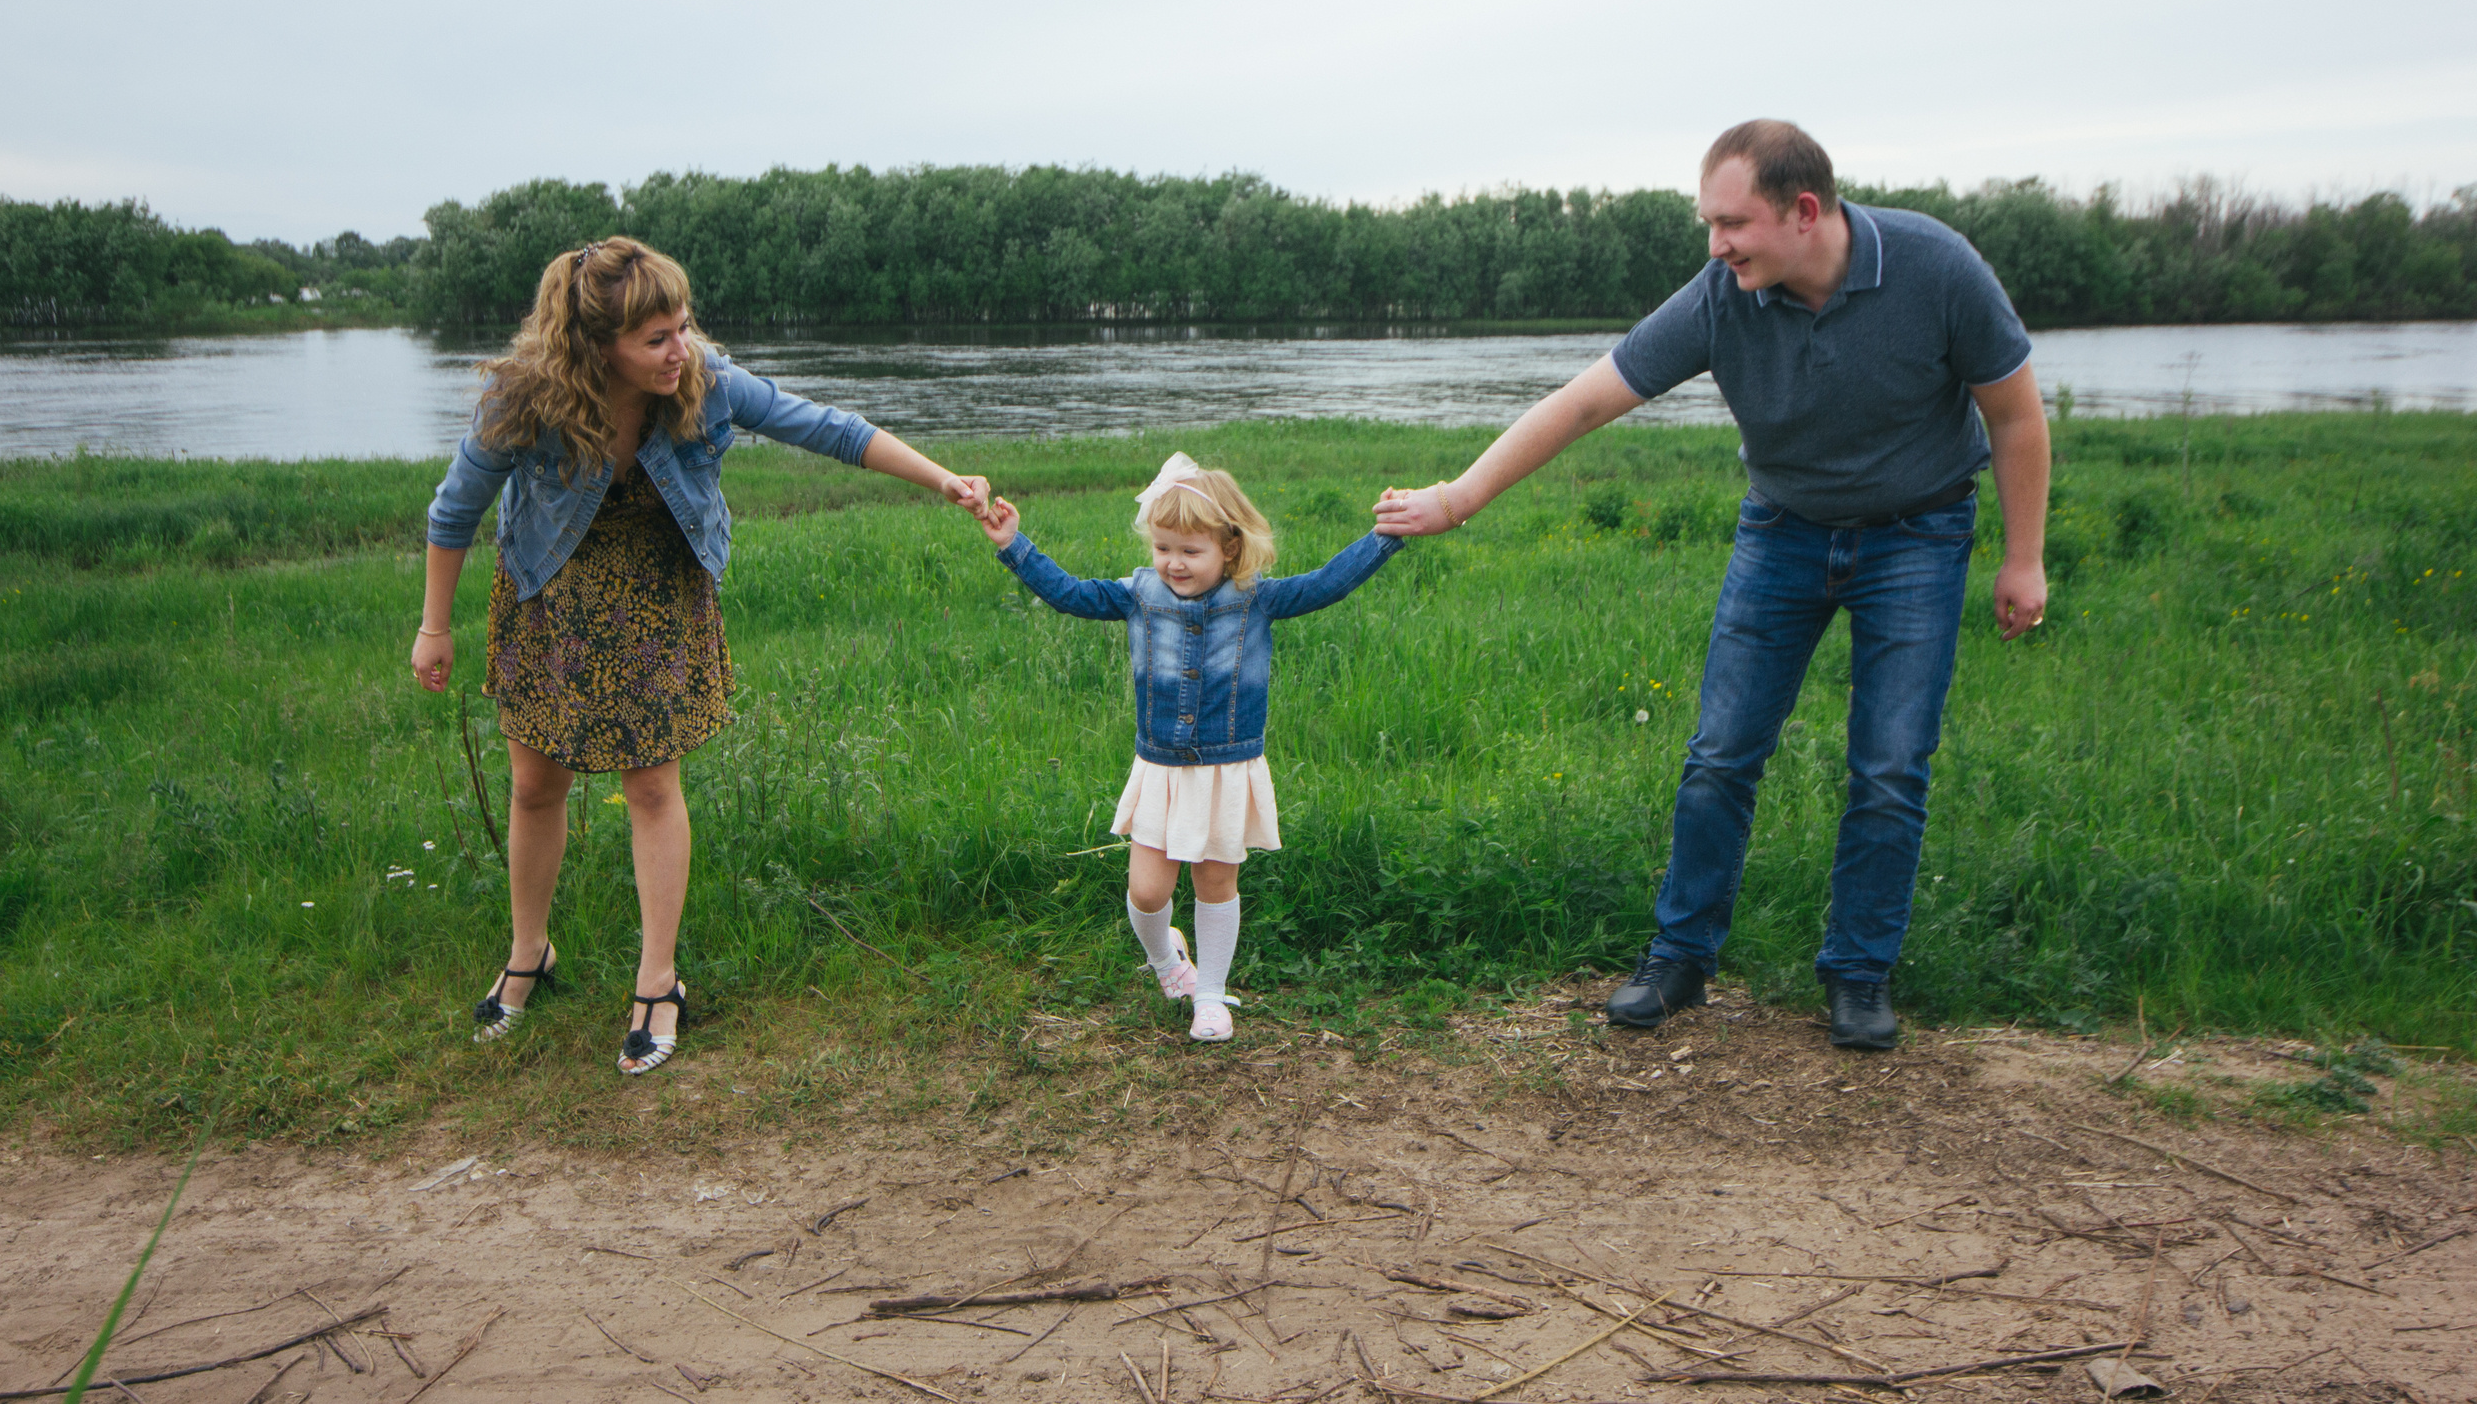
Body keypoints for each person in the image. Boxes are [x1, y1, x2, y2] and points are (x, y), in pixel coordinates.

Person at [1374, 121, 2049, 1051]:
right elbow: (1585, 400)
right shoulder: (1721, 297)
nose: (1715, 244)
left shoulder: (1936, 267)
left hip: (1919, 535)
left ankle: (1858, 974)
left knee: (1891, 765)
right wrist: (1457, 498)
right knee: (1722, 752)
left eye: (1732, 222)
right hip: (1783, 532)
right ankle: (1680, 958)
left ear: (1803, 212)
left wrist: (2024, 557)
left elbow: (2013, 412)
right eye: (1709, 222)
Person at [413, 236, 990, 1074]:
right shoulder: (524, 399)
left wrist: (943, 480)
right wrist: (436, 626)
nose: (680, 350)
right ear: (593, 346)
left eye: (682, 327)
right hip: (550, 599)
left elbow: (827, 428)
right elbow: (453, 510)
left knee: (650, 785)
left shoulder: (705, 381)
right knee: (537, 784)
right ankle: (529, 950)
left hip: (657, 600)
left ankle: (658, 979)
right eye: (656, 338)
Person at [975, 453, 1403, 1042]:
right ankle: (1168, 962)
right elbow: (1070, 593)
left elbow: (1327, 583)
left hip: (1227, 769)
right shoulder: (1138, 593)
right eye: (1163, 548)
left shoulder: (1258, 598)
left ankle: (1210, 995)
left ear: (1229, 547)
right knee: (1147, 891)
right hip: (1162, 768)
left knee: (1215, 883)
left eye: (1190, 551)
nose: (1173, 563)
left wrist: (1386, 537)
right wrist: (1012, 544)